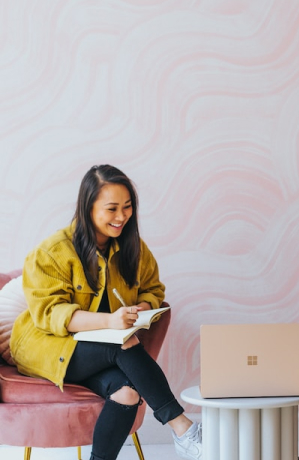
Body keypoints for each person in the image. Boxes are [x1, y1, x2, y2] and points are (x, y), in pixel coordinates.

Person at [10, 165, 202, 460]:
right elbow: (51, 314)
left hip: (99, 352)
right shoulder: (51, 252)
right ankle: (183, 428)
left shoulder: (133, 249)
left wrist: (144, 307)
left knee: (127, 394)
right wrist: (111, 322)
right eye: (112, 208)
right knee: (122, 342)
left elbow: (153, 289)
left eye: (127, 207)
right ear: (87, 208)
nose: (122, 216)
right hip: (47, 346)